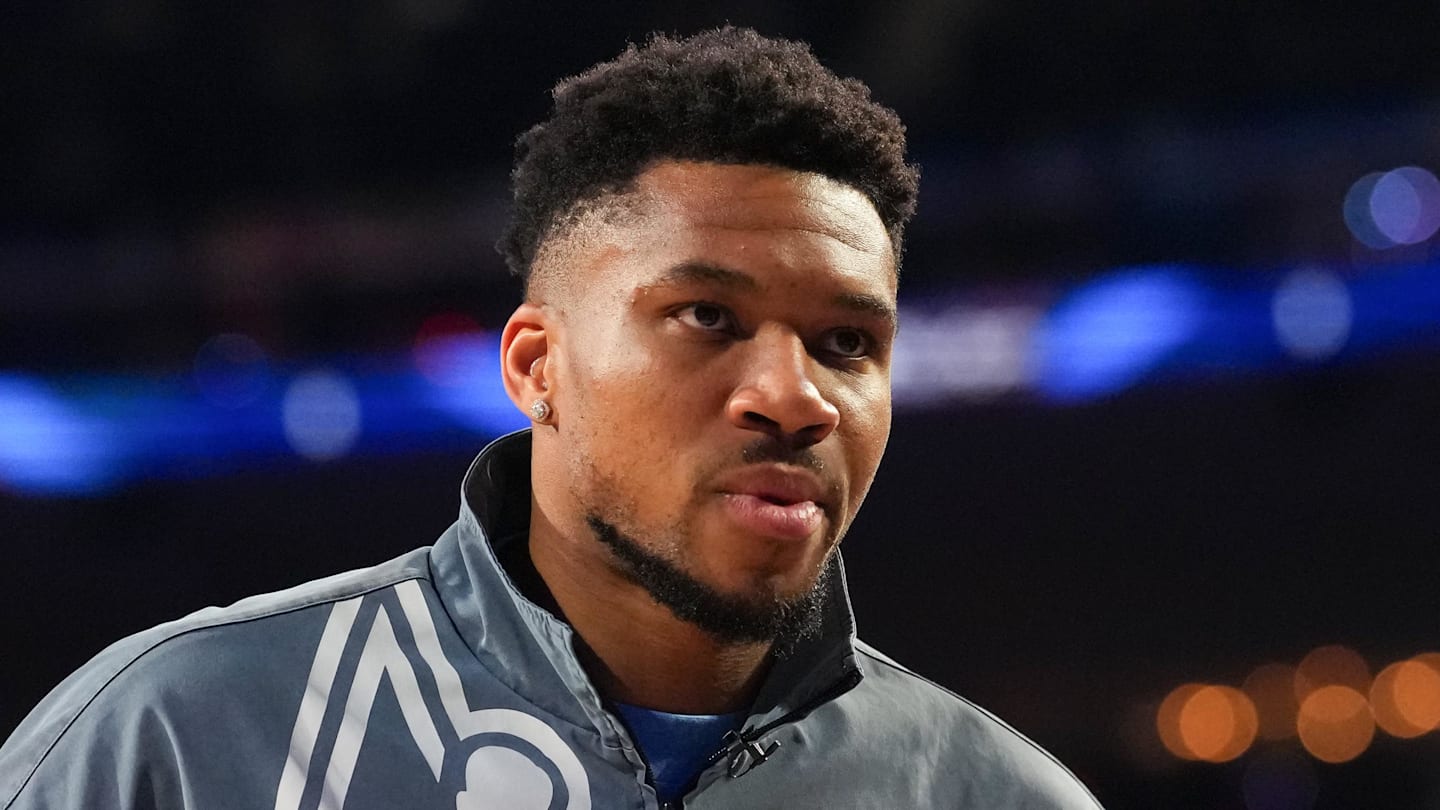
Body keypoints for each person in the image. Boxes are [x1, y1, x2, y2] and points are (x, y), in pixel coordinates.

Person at [0, 27, 1102, 809]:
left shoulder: (996, 795)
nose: (796, 394)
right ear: (538, 366)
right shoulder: (182, 736)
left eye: (846, 344)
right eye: (708, 316)